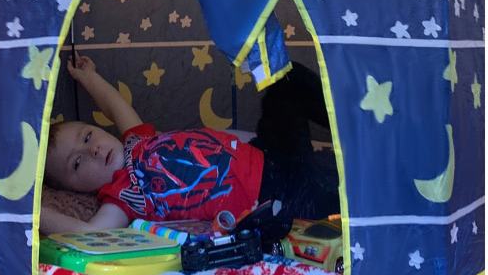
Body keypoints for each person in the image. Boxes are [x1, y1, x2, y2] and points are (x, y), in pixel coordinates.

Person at [40, 54, 339, 235]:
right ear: (74, 189)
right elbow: (90, 231)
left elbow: (115, 106)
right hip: (271, 194)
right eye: (76, 163)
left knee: (288, 80)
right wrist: (34, 215)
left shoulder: (135, 141)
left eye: (87, 136)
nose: (91, 150)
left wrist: (89, 78)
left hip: (268, 149)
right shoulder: (123, 197)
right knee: (338, 192)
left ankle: (351, 125)